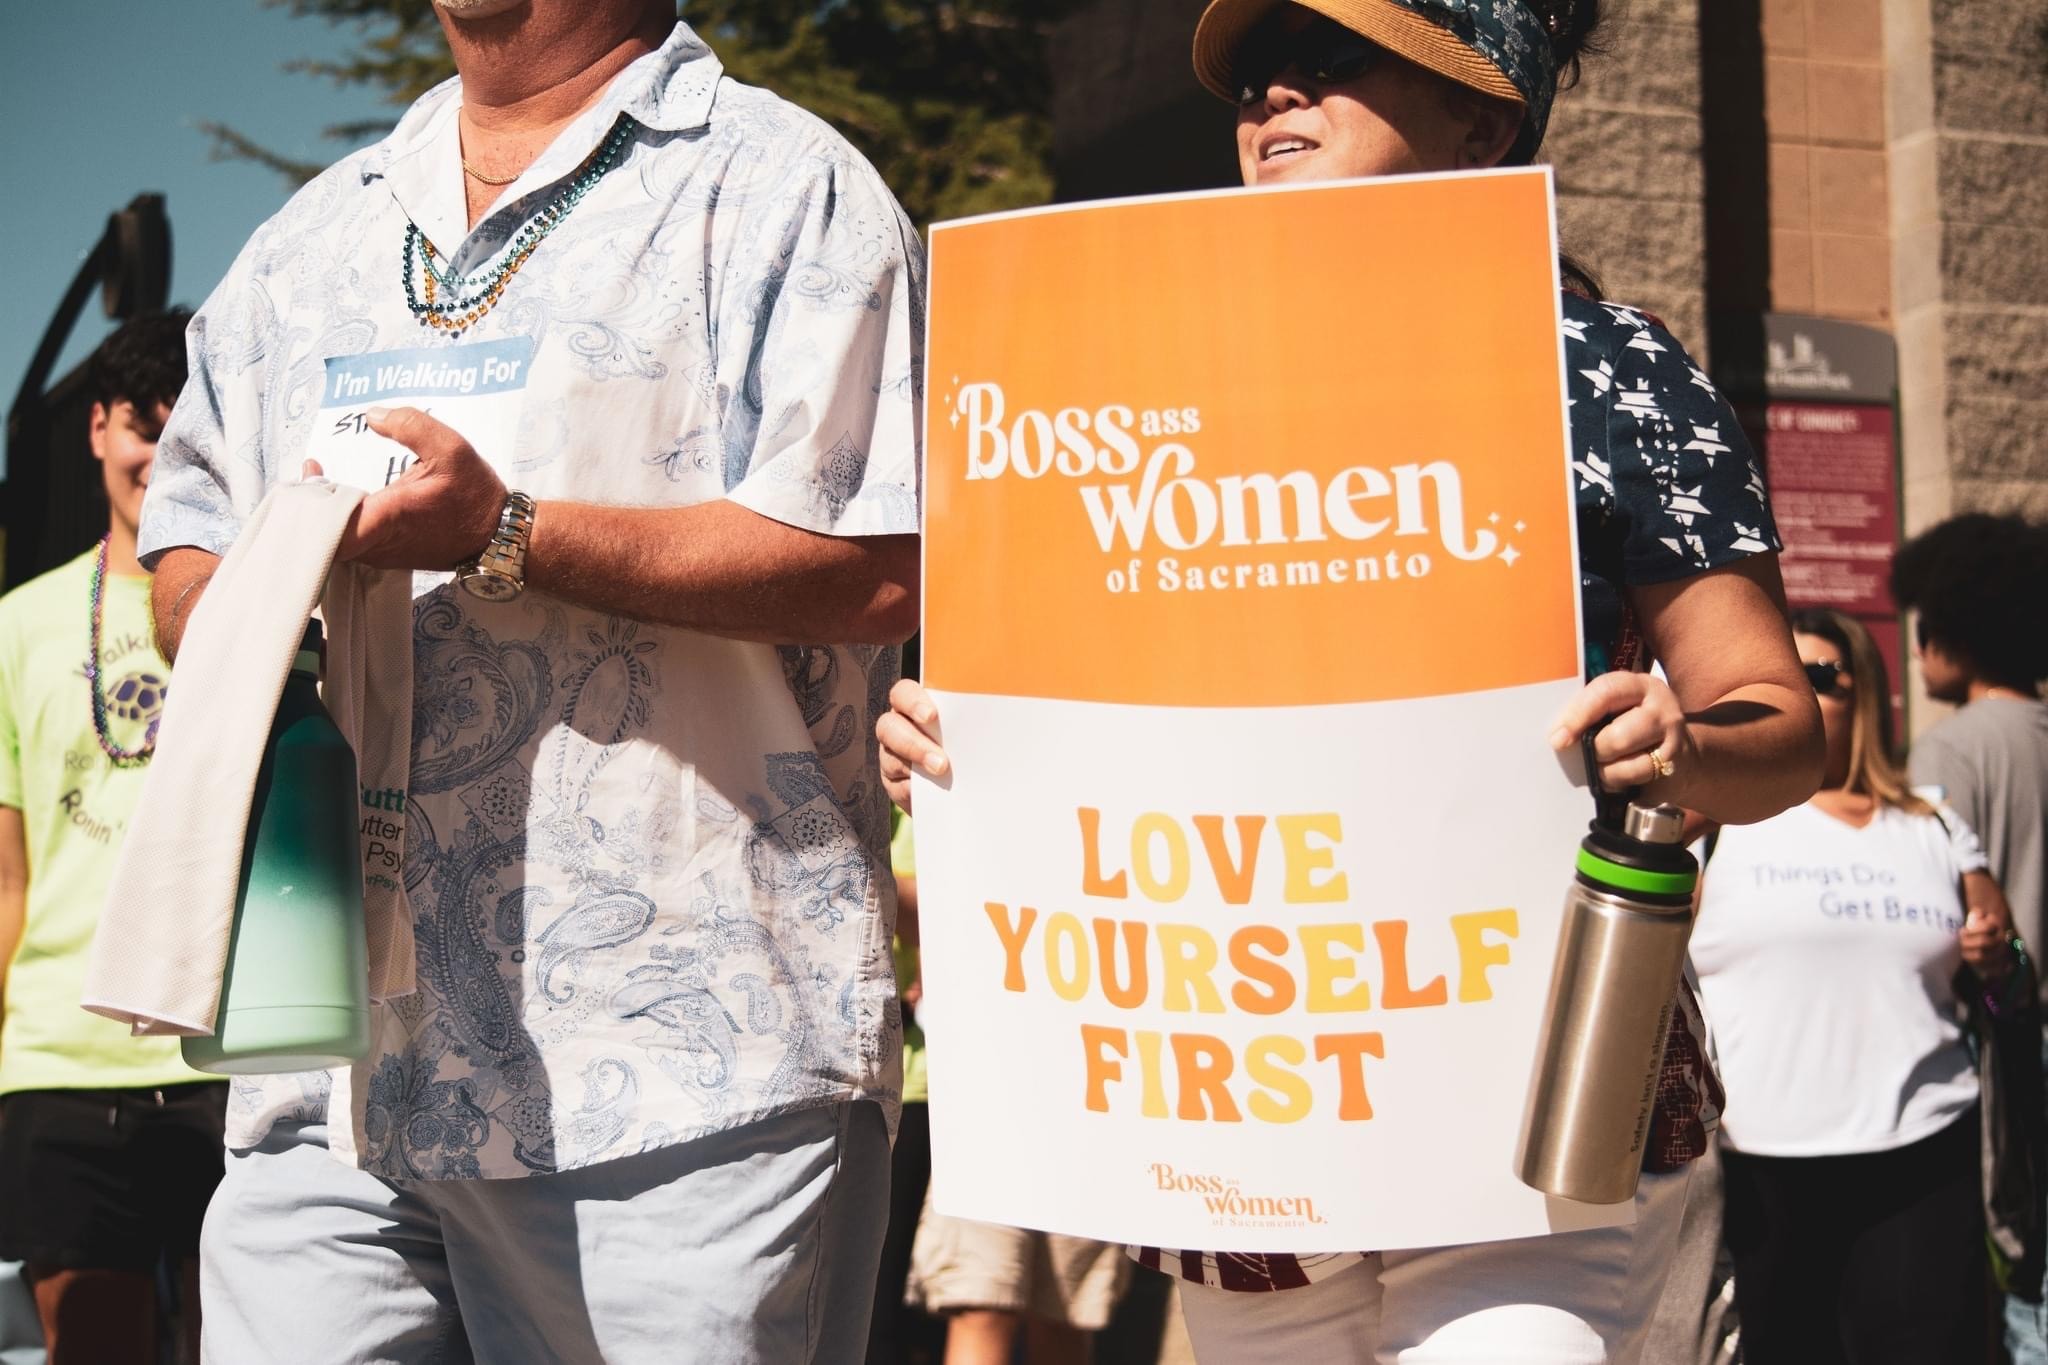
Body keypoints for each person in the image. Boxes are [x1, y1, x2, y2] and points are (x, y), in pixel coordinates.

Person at [877, 1, 1823, 1358]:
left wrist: (1682, 745)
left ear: (1482, 123)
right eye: (1254, 78)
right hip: (1230, 1103)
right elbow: (1086, 711)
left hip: (1530, 1110)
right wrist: (965, 750)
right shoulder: (1134, 385)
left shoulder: (1605, 369)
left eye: (1329, 63)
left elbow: (1777, 724)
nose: (1272, 94)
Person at [138, 2, 921, 1360]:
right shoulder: (307, 240)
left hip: (683, 1074)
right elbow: (183, 547)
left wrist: (506, 531)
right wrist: (259, 600)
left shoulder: (785, 185)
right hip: (329, 1079)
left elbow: (880, 564)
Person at [1688, 607, 2018, 1363]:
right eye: (1781, 677)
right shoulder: (1716, 824)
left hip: (1924, 1153)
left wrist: (2002, 956)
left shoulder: (1935, 824)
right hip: (1760, 1164)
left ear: (1863, 693)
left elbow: (2010, 970)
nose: (1798, 695)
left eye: (1819, 676)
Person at [0, 311, 226, 1364]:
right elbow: (7, 881)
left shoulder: (264, 610)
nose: (160, 456)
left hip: (230, 1048)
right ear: (98, 429)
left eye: (187, 433)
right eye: (144, 426)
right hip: (59, 1060)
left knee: (244, 1343)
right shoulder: (16, 627)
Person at [1889, 511, 2048, 1358]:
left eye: (1925, 631)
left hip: (2011, 1048)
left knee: (2026, 1275)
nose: (1918, 653)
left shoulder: (1948, 752)